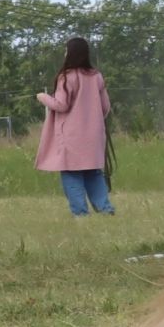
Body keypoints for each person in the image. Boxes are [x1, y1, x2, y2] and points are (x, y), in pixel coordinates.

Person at [34, 36, 114, 216]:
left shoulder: (66, 77)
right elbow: (105, 108)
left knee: (72, 174)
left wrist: (43, 98)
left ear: (70, 53)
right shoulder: (97, 76)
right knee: (93, 172)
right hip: (93, 136)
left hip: (71, 136)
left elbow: (61, 105)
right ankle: (105, 209)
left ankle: (80, 214)